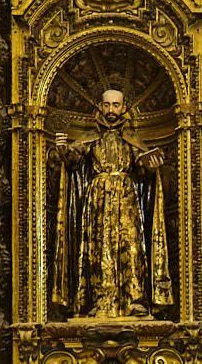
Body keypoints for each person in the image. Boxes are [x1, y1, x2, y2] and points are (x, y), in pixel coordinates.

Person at [50, 88, 173, 318]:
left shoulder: (131, 139)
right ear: (100, 106)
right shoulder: (91, 139)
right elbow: (73, 160)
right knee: (98, 249)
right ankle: (100, 301)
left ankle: (135, 301)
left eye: (116, 105)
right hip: (97, 200)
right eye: (107, 105)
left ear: (124, 107)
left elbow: (143, 168)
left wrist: (151, 164)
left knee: (132, 247)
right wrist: (62, 150)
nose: (111, 110)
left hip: (127, 200)